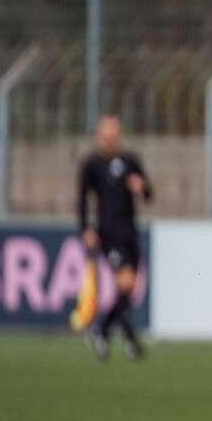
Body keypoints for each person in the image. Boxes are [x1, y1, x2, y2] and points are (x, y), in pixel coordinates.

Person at [76, 115, 151, 361]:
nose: (109, 139)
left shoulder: (130, 161)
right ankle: (128, 338)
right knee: (125, 283)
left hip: (129, 231)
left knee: (127, 289)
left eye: (113, 134)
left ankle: (104, 330)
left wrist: (143, 188)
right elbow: (82, 199)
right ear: (100, 135)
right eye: (105, 134)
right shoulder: (92, 164)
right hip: (108, 233)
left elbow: (149, 193)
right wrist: (86, 228)